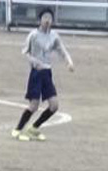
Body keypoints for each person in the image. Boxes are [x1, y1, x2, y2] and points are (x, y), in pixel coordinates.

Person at [11, 8, 74, 142]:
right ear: (39, 20)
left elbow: (62, 50)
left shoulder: (54, 36)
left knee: (54, 106)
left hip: (47, 73)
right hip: (36, 73)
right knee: (33, 105)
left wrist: (69, 62)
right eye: (44, 17)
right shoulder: (33, 35)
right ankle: (17, 130)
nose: (47, 20)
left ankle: (34, 128)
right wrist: (34, 62)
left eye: (49, 18)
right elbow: (25, 52)